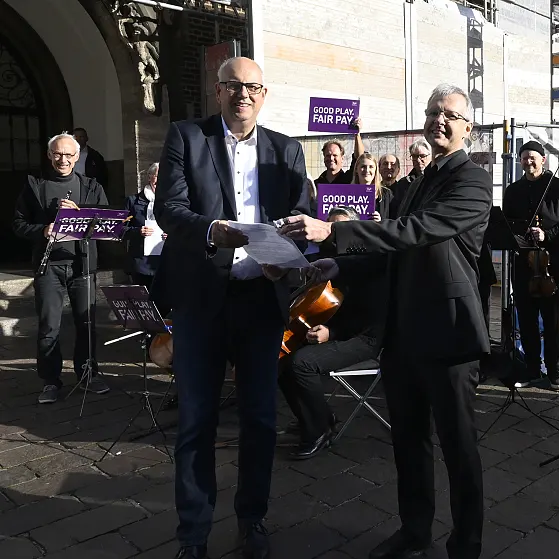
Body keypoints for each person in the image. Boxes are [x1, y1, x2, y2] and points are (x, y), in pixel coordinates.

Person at [279, 83, 491, 559]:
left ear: (467, 128)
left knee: (458, 448)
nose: (440, 119)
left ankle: (466, 546)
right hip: (402, 334)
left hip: (448, 331)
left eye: (451, 114)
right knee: (409, 442)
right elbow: (393, 253)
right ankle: (415, 531)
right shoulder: (415, 184)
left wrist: (334, 231)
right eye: (434, 111)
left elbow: (417, 232)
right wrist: (339, 265)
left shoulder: (472, 180)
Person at [152, 56, 310, 559]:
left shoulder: (285, 150)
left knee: (260, 419)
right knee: (196, 419)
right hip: (202, 301)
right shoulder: (186, 136)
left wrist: (286, 255)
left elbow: (301, 213)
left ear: (264, 95)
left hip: (260, 301)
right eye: (233, 86)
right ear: (217, 91)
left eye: (253, 87)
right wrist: (210, 230)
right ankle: (193, 536)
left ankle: (252, 519)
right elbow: (169, 209)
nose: (243, 94)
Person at [277, 206, 385, 459]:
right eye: (331, 229)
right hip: (335, 331)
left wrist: (332, 331)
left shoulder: (371, 263)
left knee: (301, 363)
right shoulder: (327, 259)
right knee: (279, 361)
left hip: (365, 337)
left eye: (340, 229)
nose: (334, 236)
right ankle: (315, 416)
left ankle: (319, 431)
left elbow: (369, 317)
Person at [12, 133, 110, 404]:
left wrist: (80, 215)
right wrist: (43, 229)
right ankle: (50, 381)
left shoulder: (91, 186)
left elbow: (106, 224)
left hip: (82, 265)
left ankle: (88, 374)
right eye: (57, 154)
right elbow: (18, 224)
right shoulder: (35, 185)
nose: (63, 159)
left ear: (78, 157)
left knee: (87, 324)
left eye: (69, 155)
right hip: (49, 267)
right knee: (48, 326)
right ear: (49, 155)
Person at [502, 140, 559, 389]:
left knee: (550, 319)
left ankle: (554, 370)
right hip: (522, 264)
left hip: (549, 265)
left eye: (533, 157)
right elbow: (506, 223)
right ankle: (532, 369)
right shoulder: (513, 190)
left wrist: (548, 234)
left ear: (543, 160)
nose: (528, 162)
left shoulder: (557, 187)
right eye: (524, 158)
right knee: (526, 319)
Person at [123, 163, 168, 299]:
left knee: (164, 305)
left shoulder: (174, 203)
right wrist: (138, 231)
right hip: (141, 262)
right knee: (143, 303)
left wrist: (173, 235)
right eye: (157, 177)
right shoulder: (133, 201)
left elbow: (185, 229)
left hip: (166, 262)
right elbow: (119, 230)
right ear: (149, 177)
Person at [352, 152, 394, 221]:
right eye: (363, 166)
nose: (367, 170)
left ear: (375, 170)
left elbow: (393, 221)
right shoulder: (347, 193)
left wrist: (381, 222)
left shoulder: (386, 194)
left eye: (371, 167)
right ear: (356, 169)